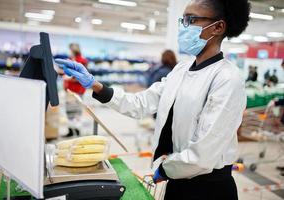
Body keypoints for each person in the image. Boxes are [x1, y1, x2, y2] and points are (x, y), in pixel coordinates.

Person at [56, 0, 250, 199]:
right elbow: (140, 103)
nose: (184, 27)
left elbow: (204, 153)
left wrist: (165, 169)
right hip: (177, 181)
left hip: (209, 188)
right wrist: (95, 85)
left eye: (191, 20)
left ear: (218, 27)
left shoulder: (227, 78)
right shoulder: (181, 70)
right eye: (182, 20)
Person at [63, 43, 89, 137]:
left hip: (77, 90)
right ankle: (70, 130)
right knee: (69, 111)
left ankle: (77, 130)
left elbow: (83, 76)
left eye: (70, 50)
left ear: (74, 50)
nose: (69, 52)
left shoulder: (82, 61)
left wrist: (70, 79)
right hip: (69, 90)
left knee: (76, 111)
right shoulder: (70, 60)